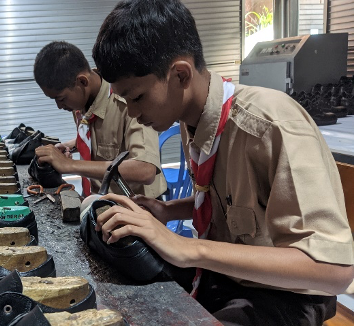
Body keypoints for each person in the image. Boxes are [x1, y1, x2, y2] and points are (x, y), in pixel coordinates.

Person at [91, 0, 354, 325]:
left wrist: (188, 249)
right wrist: (168, 211)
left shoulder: (270, 126)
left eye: (137, 97)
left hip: (286, 293)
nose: (132, 113)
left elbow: (334, 271)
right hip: (226, 273)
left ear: (180, 74)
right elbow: (228, 203)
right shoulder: (195, 123)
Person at [33, 41, 166, 199]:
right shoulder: (81, 102)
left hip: (135, 207)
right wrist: (72, 146)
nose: (59, 106)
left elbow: (145, 170)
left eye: (61, 98)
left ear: (82, 81)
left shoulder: (129, 102)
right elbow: (99, 139)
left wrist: (70, 165)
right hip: (97, 199)